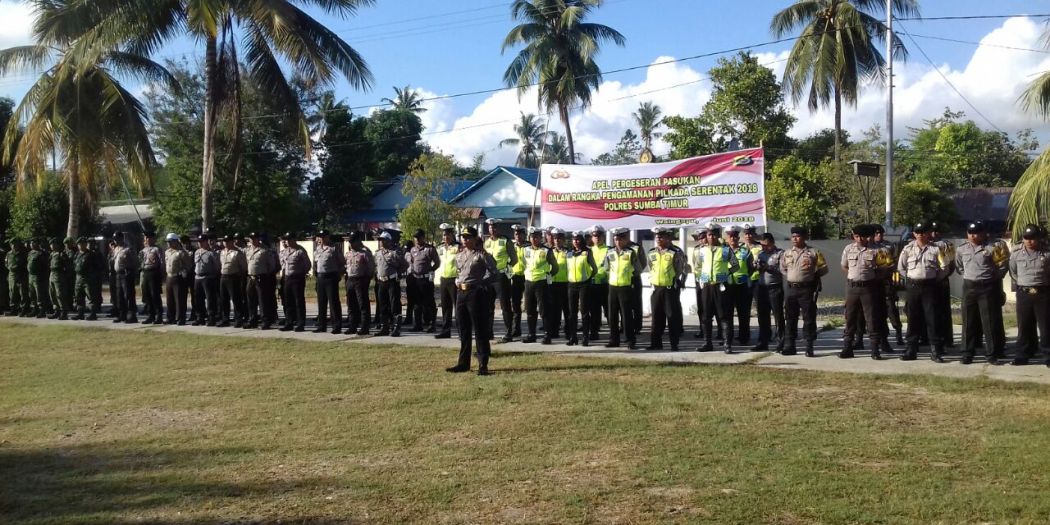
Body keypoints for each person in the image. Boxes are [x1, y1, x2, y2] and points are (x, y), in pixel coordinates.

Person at [446, 226, 499, 376]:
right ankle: (463, 363)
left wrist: (482, 283)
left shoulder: (482, 255)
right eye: (463, 237)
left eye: (468, 237)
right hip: (461, 293)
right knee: (463, 329)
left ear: (475, 239)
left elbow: (495, 273)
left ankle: (483, 364)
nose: (465, 239)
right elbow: (459, 271)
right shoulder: (460, 255)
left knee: (480, 329)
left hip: (475, 293)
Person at [955, 221, 1010, 364]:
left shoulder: (993, 247)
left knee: (989, 321)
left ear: (983, 233)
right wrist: (970, 276)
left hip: (987, 286)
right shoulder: (962, 249)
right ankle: (967, 352)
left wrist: (992, 278)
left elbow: (1002, 266)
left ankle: (992, 353)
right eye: (970, 233)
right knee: (968, 321)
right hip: (969, 287)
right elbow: (959, 266)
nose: (973, 236)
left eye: (976, 233)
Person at [897, 222, 949, 362]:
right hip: (913, 287)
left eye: (923, 232)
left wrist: (934, 280)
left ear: (928, 233)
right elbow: (901, 268)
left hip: (930, 287)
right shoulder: (907, 249)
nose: (920, 234)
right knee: (913, 318)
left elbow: (944, 268)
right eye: (917, 232)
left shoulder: (936, 249)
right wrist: (910, 279)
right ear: (914, 234)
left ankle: (935, 351)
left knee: (932, 318)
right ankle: (911, 350)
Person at [840, 224, 893, 359]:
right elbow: (844, 266)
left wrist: (872, 277)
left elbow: (886, 268)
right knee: (850, 317)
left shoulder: (878, 250)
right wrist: (855, 276)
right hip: (852, 287)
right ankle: (847, 346)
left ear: (868, 237)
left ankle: (875, 349)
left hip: (869, 288)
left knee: (872, 318)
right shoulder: (848, 249)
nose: (859, 239)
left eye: (861, 237)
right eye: (856, 236)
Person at [781, 226, 828, 356]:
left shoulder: (813, 252)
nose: (795, 239)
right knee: (790, 318)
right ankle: (790, 345)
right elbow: (783, 269)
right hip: (791, 289)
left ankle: (809, 345)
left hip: (807, 289)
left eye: (798, 236)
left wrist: (812, 277)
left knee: (809, 318)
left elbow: (824, 268)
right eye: (793, 236)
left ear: (804, 237)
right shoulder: (787, 253)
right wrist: (793, 277)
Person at [1009, 224, 1050, 366]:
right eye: (1026, 238)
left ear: (1038, 238)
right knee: (1024, 325)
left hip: (1042, 293)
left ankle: (1047, 355)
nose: (1029, 241)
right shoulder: (1016, 253)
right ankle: (1022, 355)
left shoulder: (1046, 253)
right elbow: (1013, 272)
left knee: (1045, 326)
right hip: (1024, 293)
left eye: (1032, 238)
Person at [695, 223, 738, 353]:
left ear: (718, 236)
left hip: (721, 286)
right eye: (709, 234)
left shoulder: (725, 250)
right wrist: (702, 278)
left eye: (714, 234)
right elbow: (697, 267)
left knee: (724, 316)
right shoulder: (702, 251)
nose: (711, 237)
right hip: (707, 286)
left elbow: (735, 265)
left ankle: (727, 344)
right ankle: (707, 343)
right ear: (706, 236)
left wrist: (726, 274)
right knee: (706, 316)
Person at [603, 227, 646, 350]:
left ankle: (630, 340)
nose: (618, 242)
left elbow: (637, 269)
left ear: (625, 239)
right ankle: (614, 339)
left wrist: (628, 276)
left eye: (620, 239)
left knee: (627, 315)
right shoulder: (610, 252)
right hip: (613, 287)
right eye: (616, 239)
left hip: (626, 286)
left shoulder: (630, 252)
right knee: (612, 315)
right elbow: (606, 267)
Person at [647, 227, 687, 351]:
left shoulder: (675, 252)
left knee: (672, 317)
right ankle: (656, 343)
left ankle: (674, 344)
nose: (658, 239)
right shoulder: (652, 252)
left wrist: (679, 282)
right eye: (657, 236)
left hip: (670, 289)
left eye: (661, 236)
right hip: (656, 288)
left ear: (668, 238)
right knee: (656, 318)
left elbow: (681, 269)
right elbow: (650, 267)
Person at [483, 218, 518, 342]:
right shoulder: (486, 242)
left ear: (499, 228)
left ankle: (509, 332)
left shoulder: (505, 241)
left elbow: (514, 259)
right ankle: (489, 332)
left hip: (501, 277)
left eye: (495, 227)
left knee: (505, 306)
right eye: (491, 227)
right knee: (488, 306)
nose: (492, 229)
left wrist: (506, 268)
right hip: (489, 277)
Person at [521, 226, 558, 344]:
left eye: (536, 237)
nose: (534, 239)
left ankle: (547, 335)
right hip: (528, 282)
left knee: (544, 310)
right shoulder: (525, 250)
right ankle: (531, 334)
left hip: (541, 283)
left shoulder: (546, 250)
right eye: (532, 237)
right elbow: (523, 264)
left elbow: (555, 267)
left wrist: (548, 275)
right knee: (530, 309)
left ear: (540, 238)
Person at [752, 233, 785, 352]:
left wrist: (767, 267)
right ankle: (763, 342)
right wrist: (756, 266)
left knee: (778, 316)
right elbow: (756, 268)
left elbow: (783, 270)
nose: (764, 248)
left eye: (767, 245)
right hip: (761, 287)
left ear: (772, 242)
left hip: (775, 287)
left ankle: (780, 342)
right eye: (762, 245)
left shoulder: (780, 253)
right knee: (762, 317)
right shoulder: (760, 254)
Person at [873, 224, 905, 346]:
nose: (879, 235)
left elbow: (893, 264)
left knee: (891, 309)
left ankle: (898, 332)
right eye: (876, 233)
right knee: (877, 312)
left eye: (881, 233)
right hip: (874, 282)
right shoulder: (870, 246)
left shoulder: (888, 246)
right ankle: (881, 337)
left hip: (887, 282)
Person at [565, 231, 598, 346]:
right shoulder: (568, 253)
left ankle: (585, 337)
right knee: (571, 313)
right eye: (574, 239)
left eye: (578, 239)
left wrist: (588, 279)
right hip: (571, 285)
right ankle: (573, 337)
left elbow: (595, 269)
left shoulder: (587, 252)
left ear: (582, 240)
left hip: (584, 285)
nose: (576, 241)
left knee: (584, 312)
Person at [724, 226, 755, 346]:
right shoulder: (724, 251)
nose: (733, 238)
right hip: (728, 286)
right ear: (727, 238)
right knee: (727, 314)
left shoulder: (745, 251)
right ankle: (728, 338)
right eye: (731, 236)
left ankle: (744, 337)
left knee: (744, 313)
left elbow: (751, 268)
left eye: (735, 236)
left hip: (742, 286)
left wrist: (746, 277)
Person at [406, 228, 440, 333]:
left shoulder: (430, 249)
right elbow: (411, 262)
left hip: (426, 280)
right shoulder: (413, 249)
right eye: (415, 237)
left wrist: (431, 270)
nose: (416, 239)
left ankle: (432, 324)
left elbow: (437, 262)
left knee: (429, 303)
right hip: (416, 280)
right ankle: (418, 325)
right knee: (416, 303)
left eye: (418, 237)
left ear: (423, 237)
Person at [374, 231, 407, 337]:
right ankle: (385, 327)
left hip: (392, 281)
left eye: (383, 240)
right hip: (381, 281)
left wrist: (399, 273)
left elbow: (405, 265)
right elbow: (376, 266)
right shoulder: (378, 253)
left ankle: (396, 327)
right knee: (383, 305)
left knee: (394, 305)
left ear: (389, 241)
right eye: (380, 240)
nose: (381, 242)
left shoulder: (395, 252)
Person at [929, 222, 956, 348]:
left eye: (937, 231)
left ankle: (947, 339)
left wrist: (943, 277)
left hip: (941, 282)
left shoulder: (946, 245)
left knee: (943, 311)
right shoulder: (926, 244)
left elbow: (951, 265)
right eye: (932, 231)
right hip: (928, 282)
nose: (934, 233)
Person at [312, 230, 344, 334]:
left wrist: (338, 275)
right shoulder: (317, 249)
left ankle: (336, 326)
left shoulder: (334, 248)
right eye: (319, 236)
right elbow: (316, 264)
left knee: (333, 302)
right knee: (321, 302)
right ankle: (322, 325)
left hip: (331, 276)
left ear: (327, 237)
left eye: (323, 236)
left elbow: (342, 263)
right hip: (320, 277)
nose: (320, 238)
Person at [246, 232, 278, 330]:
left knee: (263, 301)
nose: (252, 240)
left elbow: (271, 265)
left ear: (258, 239)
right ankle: (252, 320)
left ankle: (265, 321)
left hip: (261, 278)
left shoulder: (265, 250)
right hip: (250, 277)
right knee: (251, 300)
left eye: (254, 238)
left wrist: (265, 275)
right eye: (251, 238)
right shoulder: (248, 250)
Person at [278, 233, 310, 332]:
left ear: (294, 240)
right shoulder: (284, 252)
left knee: (298, 301)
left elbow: (307, 265)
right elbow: (282, 265)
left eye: (289, 239)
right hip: (287, 278)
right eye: (286, 240)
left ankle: (300, 323)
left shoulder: (300, 251)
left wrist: (301, 273)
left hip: (297, 278)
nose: (286, 241)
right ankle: (289, 322)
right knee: (288, 302)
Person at [345, 231, 374, 336]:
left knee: (363, 304)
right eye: (350, 242)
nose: (351, 244)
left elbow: (371, 268)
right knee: (351, 304)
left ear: (358, 241)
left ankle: (365, 327)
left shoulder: (364, 253)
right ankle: (352, 326)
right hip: (350, 280)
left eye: (353, 242)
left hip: (360, 280)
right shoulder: (348, 254)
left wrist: (366, 279)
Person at [435, 224, 460, 339]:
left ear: (452, 235)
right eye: (444, 235)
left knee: (458, 306)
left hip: (454, 279)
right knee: (445, 306)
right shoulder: (440, 247)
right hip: (444, 279)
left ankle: (461, 330)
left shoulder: (458, 247)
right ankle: (446, 330)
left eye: (447, 235)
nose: (445, 237)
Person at [218, 234, 248, 328]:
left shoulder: (237, 252)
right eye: (224, 241)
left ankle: (238, 319)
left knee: (236, 299)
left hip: (233, 277)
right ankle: (225, 319)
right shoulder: (222, 252)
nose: (225, 243)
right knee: (224, 299)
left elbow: (243, 267)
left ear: (232, 242)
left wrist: (240, 277)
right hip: (223, 276)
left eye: (227, 241)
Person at [193, 233, 221, 326]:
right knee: (198, 298)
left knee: (210, 299)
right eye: (199, 242)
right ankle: (200, 317)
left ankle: (211, 317)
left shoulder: (212, 253)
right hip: (197, 277)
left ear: (207, 242)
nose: (200, 243)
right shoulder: (197, 252)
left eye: (202, 241)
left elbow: (217, 266)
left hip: (208, 277)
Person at [547, 229, 571, 340]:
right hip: (553, 284)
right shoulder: (549, 251)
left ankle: (568, 331)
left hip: (566, 283)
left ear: (563, 240)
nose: (557, 241)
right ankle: (554, 331)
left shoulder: (568, 252)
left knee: (567, 309)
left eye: (559, 239)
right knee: (553, 310)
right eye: (555, 238)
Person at [587, 225, 610, 340]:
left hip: (606, 284)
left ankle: (614, 334)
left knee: (609, 311)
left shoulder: (609, 250)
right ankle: (594, 332)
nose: (597, 238)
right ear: (592, 237)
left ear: (603, 236)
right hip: (592, 284)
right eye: (594, 236)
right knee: (594, 311)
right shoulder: (589, 250)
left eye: (599, 236)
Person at [163, 233, 191, 325]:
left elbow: (188, 265)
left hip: (178, 277)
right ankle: (170, 317)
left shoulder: (181, 252)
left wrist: (184, 273)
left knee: (179, 299)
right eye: (168, 242)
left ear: (176, 242)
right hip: (169, 276)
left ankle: (180, 318)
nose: (169, 244)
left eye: (170, 242)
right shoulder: (167, 252)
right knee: (169, 299)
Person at [73, 237, 103, 320]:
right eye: (79, 244)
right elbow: (74, 264)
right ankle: (80, 313)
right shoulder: (77, 254)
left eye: (83, 244)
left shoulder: (91, 254)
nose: (81, 246)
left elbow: (98, 266)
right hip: (78, 278)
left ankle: (93, 314)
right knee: (79, 297)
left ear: (86, 244)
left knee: (91, 297)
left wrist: (93, 276)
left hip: (88, 278)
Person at [111, 232, 138, 323]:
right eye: (114, 239)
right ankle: (122, 315)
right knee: (119, 295)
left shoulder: (128, 248)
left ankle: (131, 315)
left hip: (126, 273)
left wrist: (132, 272)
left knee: (128, 295)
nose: (115, 240)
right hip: (118, 274)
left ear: (122, 238)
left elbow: (134, 261)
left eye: (117, 238)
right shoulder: (116, 249)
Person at [138, 231, 164, 324]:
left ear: (153, 238)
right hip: (145, 272)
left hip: (154, 273)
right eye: (145, 238)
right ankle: (151, 315)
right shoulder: (144, 250)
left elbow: (161, 262)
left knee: (155, 295)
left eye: (148, 238)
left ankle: (159, 315)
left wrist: (161, 274)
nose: (146, 239)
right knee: (147, 295)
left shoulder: (157, 249)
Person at [510, 224, 528, 338]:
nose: (518, 236)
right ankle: (516, 328)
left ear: (524, 235)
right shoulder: (511, 246)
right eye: (516, 234)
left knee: (531, 305)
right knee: (515, 304)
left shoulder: (529, 246)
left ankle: (533, 329)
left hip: (528, 277)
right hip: (515, 277)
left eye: (520, 234)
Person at [47, 238, 73, 320]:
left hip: (59, 275)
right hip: (52, 275)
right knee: (52, 294)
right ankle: (56, 311)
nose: (52, 246)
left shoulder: (62, 254)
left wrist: (65, 275)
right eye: (51, 244)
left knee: (60, 294)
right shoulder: (52, 254)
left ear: (58, 245)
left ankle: (63, 312)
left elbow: (68, 266)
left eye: (54, 244)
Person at [27, 238, 50, 318]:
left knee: (39, 294)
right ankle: (34, 309)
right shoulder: (30, 253)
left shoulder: (41, 253)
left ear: (38, 244)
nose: (32, 244)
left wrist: (43, 277)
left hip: (38, 276)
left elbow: (45, 266)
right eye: (31, 243)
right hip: (31, 276)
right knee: (32, 294)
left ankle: (42, 310)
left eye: (34, 243)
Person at [7, 238, 29, 316]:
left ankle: (24, 309)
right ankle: (13, 309)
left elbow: (27, 264)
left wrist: (19, 267)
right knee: (12, 292)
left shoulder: (24, 253)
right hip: (12, 275)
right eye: (12, 244)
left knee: (22, 292)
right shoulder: (9, 254)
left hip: (21, 275)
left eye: (15, 244)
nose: (14, 246)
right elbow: (6, 263)